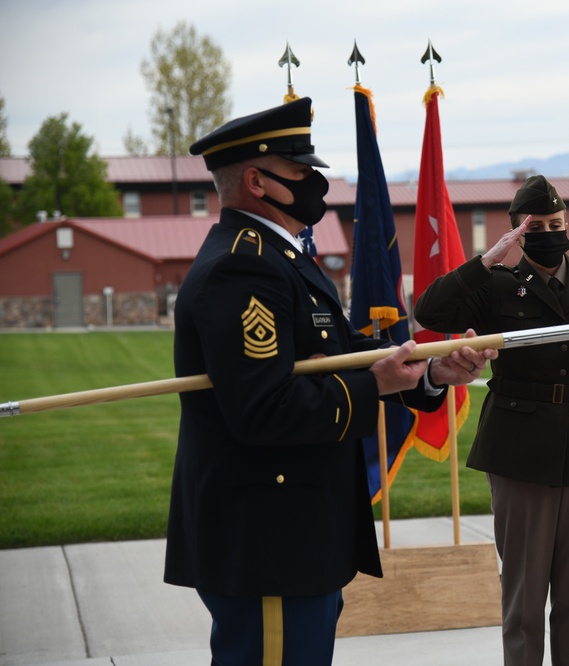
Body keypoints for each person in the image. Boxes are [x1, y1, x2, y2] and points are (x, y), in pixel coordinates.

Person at [164, 96, 496, 664]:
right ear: (257, 181)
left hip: (297, 533)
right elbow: (264, 409)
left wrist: (432, 370)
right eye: (302, 172)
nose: (317, 183)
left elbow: (334, 353)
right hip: (267, 539)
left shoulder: (281, 257)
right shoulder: (243, 267)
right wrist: (378, 385)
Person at [413, 175, 569, 666]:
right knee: (525, 599)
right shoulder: (496, 286)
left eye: (557, 223)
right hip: (519, 449)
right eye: (537, 225)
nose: (551, 232)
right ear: (517, 232)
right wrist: (489, 259)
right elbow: (428, 309)